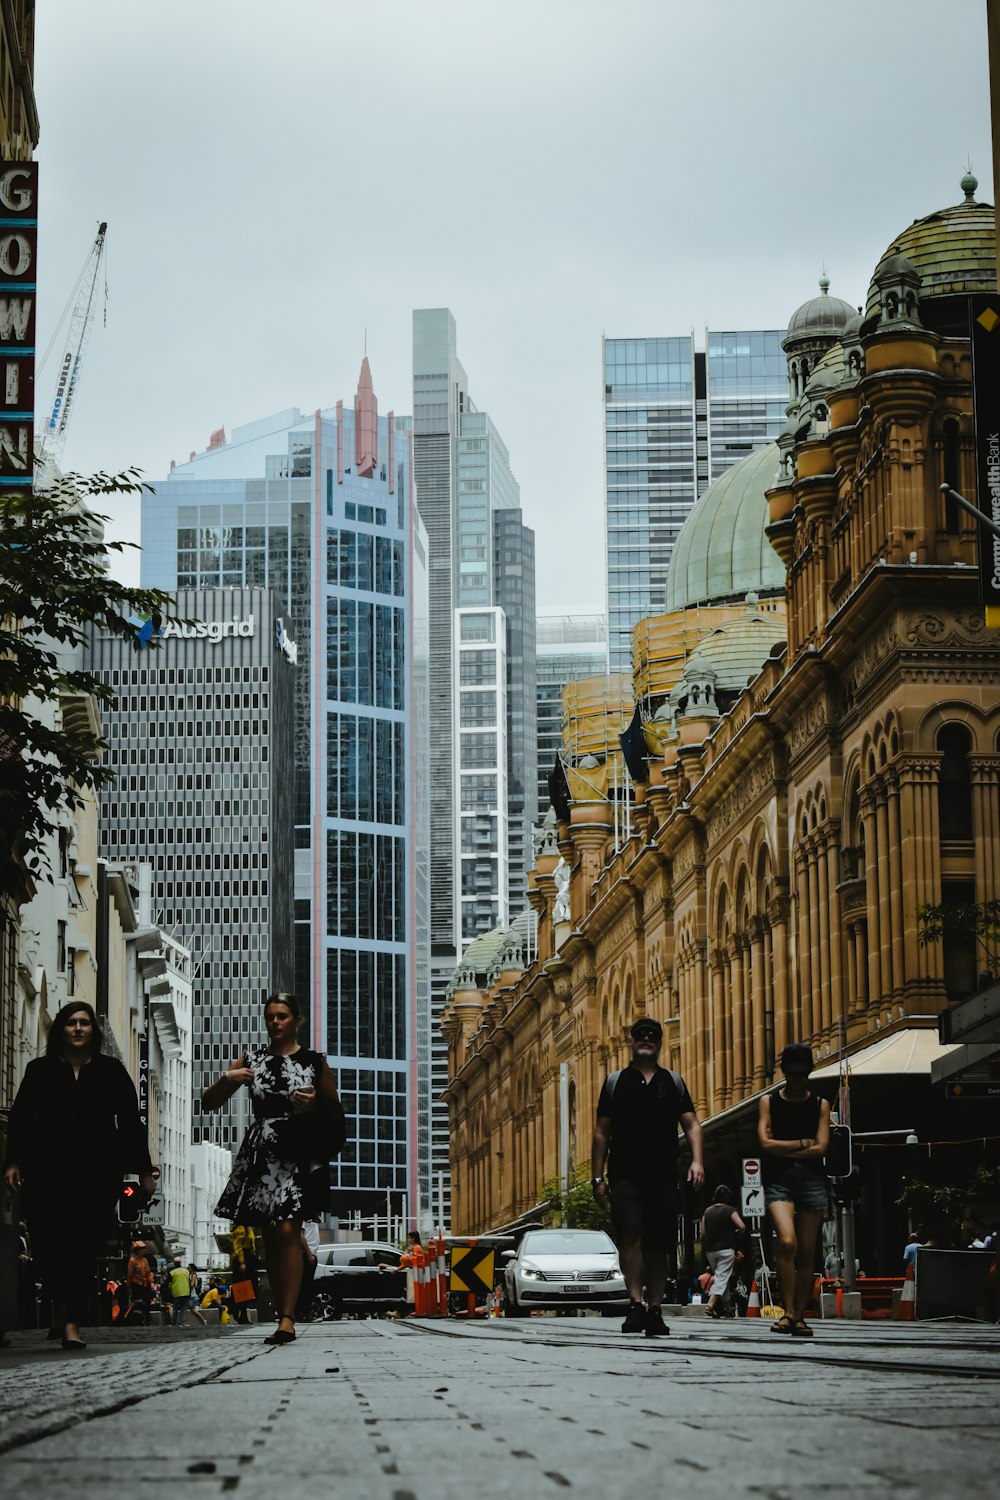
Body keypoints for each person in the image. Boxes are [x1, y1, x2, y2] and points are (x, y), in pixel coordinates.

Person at [2, 1002, 155, 1350]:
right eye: (71, 1023)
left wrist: (145, 1171)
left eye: (84, 1023)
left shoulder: (111, 1071)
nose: (78, 1028)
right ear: (61, 1029)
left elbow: (131, 1124)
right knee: (49, 1244)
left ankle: (72, 1322)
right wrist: (13, 1162)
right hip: (46, 1173)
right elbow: (22, 1119)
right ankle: (60, 1308)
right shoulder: (39, 1070)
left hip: (96, 1174)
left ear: (92, 1031)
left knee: (83, 1245)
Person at [204, 991, 342, 1346]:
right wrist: (228, 1078)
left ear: (297, 1020)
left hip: (297, 1152)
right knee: (268, 1236)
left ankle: (287, 1317)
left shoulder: (314, 1062)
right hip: (262, 1153)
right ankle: (283, 1310)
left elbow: (337, 1116)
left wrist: (312, 1108)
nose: (276, 1022)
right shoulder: (253, 1059)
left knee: (286, 1232)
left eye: (282, 1016)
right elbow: (208, 1103)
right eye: (270, 1016)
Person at [591, 1016, 704, 1337]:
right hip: (625, 1175)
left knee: (659, 1245)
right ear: (631, 1041)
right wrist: (597, 1177)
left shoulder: (673, 1082)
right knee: (630, 1238)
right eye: (640, 1035)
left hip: (664, 1176)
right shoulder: (616, 1082)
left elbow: (692, 1124)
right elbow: (601, 1132)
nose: (646, 1039)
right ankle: (635, 1304)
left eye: (652, 1035)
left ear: (659, 1042)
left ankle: (655, 1309)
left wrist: (698, 1161)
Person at [758, 1041, 831, 1337]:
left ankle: (798, 1315)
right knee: (787, 1242)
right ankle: (787, 1311)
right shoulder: (769, 1101)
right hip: (779, 1181)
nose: (797, 1079)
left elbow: (822, 1147)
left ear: (809, 1072)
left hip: (812, 1181)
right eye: (792, 1074)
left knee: (807, 1251)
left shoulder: (821, 1104)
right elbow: (764, 1145)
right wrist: (803, 1143)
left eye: (802, 1074)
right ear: (784, 1073)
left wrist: (781, 1148)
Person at [702, 1185, 745, 1319]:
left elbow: (702, 1232)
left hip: (710, 1250)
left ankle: (728, 1309)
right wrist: (735, 1233)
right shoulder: (730, 1210)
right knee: (722, 1277)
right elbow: (742, 1226)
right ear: (727, 1197)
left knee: (722, 1276)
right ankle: (710, 1305)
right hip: (726, 1248)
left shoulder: (707, 1211)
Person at [126, 1241, 154, 1325]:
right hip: (136, 1285)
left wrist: (151, 1283)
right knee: (138, 1304)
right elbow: (129, 1275)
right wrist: (129, 1287)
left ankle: (147, 1321)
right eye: (142, 1249)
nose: (144, 1250)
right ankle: (138, 1322)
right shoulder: (132, 1261)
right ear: (137, 1250)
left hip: (145, 1286)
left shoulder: (145, 1260)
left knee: (147, 1304)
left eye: (144, 1248)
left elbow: (148, 1272)